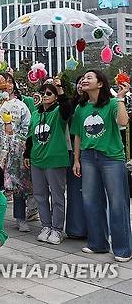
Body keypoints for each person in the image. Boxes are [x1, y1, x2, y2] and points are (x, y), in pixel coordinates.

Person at [72, 70, 131, 262]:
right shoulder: (81, 108)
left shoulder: (113, 103)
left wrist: (121, 98)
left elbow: (123, 123)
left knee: (117, 202)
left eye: (89, 77)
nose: (84, 80)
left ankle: (123, 249)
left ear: (100, 83)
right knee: (90, 200)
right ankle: (98, 243)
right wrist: (76, 160)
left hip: (111, 158)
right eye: (83, 78)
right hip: (88, 157)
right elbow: (78, 135)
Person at [23, 80, 71, 245]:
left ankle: (57, 229)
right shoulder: (36, 113)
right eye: (42, 93)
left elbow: (67, 111)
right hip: (37, 160)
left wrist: (60, 89)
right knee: (40, 195)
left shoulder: (58, 111)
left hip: (55, 159)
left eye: (49, 93)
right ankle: (46, 226)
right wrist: (26, 155)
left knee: (57, 196)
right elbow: (30, 136)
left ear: (56, 96)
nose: (44, 96)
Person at [0, 73, 32, 233]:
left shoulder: (21, 105)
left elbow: (27, 124)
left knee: (18, 183)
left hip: (16, 149)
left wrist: (18, 139)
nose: (7, 84)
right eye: (3, 82)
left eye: (9, 81)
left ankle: (21, 218)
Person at [65, 75, 87, 239]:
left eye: (85, 81)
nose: (81, 84)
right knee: (74, 191)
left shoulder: (97, 104)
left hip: (91, 150)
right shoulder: (72, 106)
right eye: (79, 81)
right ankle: (75, 229)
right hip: (73, 151)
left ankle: (94, 228)